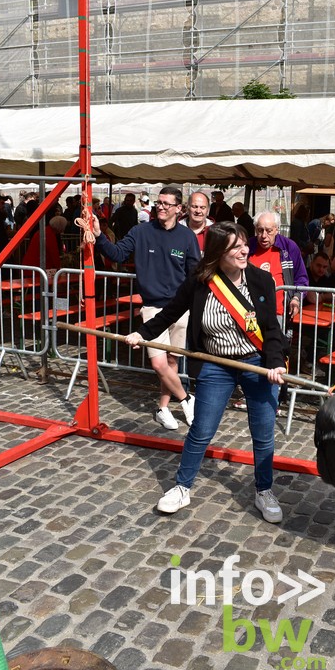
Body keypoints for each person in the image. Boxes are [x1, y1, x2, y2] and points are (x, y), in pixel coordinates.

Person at [125, 221, 286, 522]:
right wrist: (143, 333)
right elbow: (171, 311)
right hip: (216, 365)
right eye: (235, 247)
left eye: (243, 244)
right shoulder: (200, 281)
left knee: (263, 433)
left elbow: (271, 329)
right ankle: (182, 487)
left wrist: (275, 362)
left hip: (255, 362)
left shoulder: (261, 280)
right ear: (218, 252)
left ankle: (263, 491)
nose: (244, 250)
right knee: (201, 430)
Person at [93, 184, 201, 430]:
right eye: (158, 202)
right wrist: (100, 235)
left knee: (172, 361)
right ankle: (187, 398)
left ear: (178, 209)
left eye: (166, 204)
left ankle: (163, 408)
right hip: (153, 308)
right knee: (158, 363)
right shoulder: (141, 231)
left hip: (180, 309)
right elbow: (118, 254)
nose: (160, 207)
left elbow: (194, 274)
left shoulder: (187, 237)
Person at [246, 210, 309, 410]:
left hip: (279, 312)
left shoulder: (289, 248)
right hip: (249, 312)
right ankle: (251, 390)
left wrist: (297, 299)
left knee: (277, 353)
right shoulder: (248, 246)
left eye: (268, 231)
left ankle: (278, 394)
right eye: (259, 230)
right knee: (252, 353)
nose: (263, 236)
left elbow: (302, 279)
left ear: (278, 229)